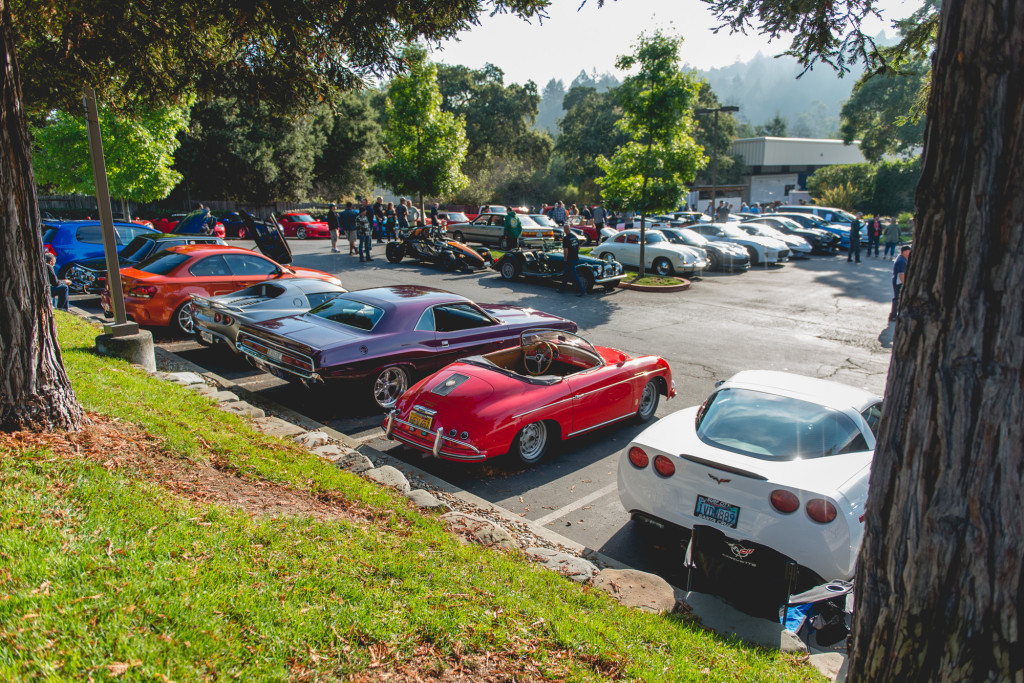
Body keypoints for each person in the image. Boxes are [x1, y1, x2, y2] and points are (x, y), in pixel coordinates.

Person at [556, 222, 585, 297]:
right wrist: (575, 252)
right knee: (566, 274)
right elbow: (578, 247)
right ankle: (562, 288)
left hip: (570, 259)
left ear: (565, 230)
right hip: (575, 257)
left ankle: (581, 290)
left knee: (574, 275)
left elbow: (566, 250)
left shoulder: (566, 238)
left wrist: (565, 259)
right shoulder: (574, 237)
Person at [890, 244, 910, 321]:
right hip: (898, 282)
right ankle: (893, 315)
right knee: (897, 299)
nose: (910, 253)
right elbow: (901, 274)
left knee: (898, 298)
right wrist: (905, 284)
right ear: (904, 252)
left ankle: (895, 314)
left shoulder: (901, 258)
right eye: (909, 252)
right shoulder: (902, 261)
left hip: (896, 280)